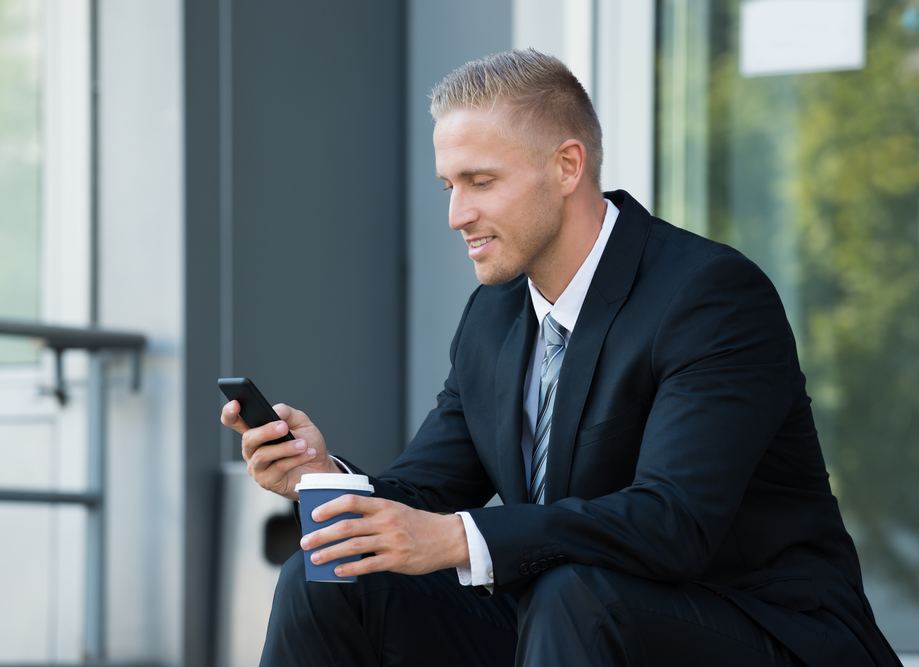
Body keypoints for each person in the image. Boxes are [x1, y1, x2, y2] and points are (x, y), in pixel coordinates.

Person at [222, 49, 901, 667]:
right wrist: (325, 478)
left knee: (572, 592)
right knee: (336, 576)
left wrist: (461, 539)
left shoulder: (708, 296)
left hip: (764, 632)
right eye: (447, 186)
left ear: (566, 167)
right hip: (571, 623)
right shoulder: (494, 316)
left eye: (480, 181)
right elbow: (426, 496)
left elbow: (674, 522)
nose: (456, 214)